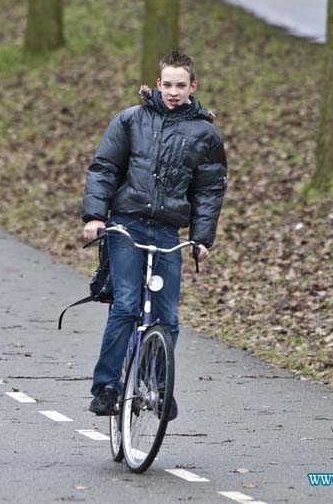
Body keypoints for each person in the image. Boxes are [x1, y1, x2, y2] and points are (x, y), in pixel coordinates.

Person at [82, 51, 227, 418]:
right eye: (167, 84)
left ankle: (158, 385)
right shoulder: (131, 120)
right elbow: (104, 168)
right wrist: (96, 216)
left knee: (167, 317)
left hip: (167, 231)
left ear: (193, 87)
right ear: (157, 84)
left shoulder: (205, 135)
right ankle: (107, 387)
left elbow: (208, 191)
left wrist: (201, 238)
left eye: (181, 85)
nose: (173, 92)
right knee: (128, 306)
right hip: (126, 225)